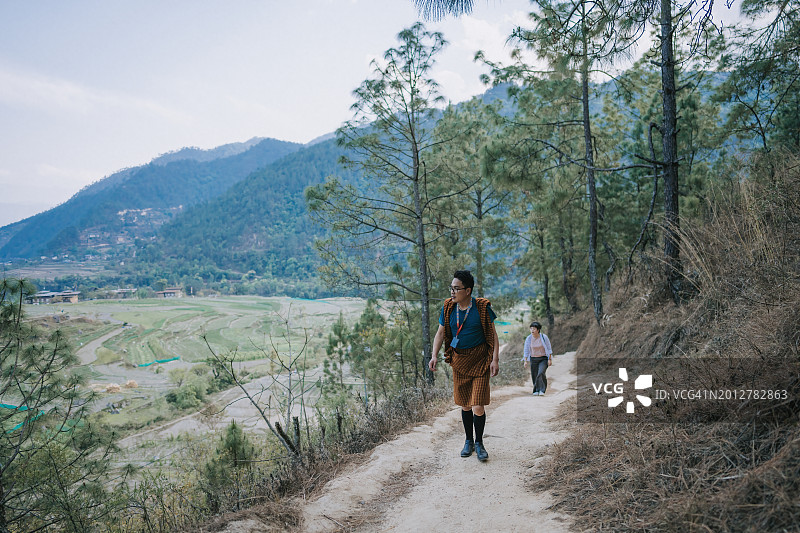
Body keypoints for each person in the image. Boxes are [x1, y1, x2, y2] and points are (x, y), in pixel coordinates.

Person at [430, 270, 499, 462]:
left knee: (478, 405)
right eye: (451, 288)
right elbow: (440, 333)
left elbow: (493, 335)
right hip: (459, 361)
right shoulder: (448, 308)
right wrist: (434, 355)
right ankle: (468, 441)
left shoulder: (482, 308)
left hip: (480, 360)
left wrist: (495, 359)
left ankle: (479, 443)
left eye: (456, 289)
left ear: (467, 290)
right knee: (465, 404)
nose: (452, 292)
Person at [522, 321, 553, 396]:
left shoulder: (543, 337)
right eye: (531, 328)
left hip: (543, 358)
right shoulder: (529, 338)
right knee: (534, 374)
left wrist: (550, 359)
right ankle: (536, 390)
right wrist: (525, 361)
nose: (532, 330)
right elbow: (526, 350)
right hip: (533, 359)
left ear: (538, 330)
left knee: (541, 373)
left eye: (534, 329)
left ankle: (542, 390)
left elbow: (549, 348)